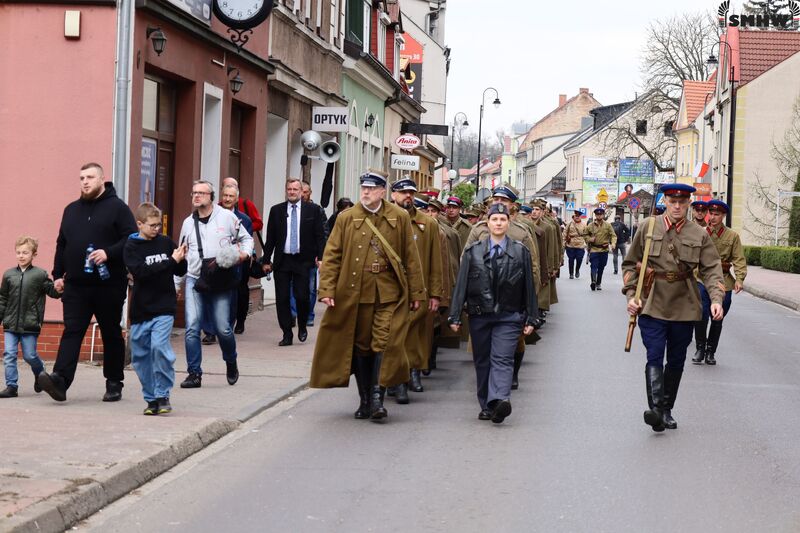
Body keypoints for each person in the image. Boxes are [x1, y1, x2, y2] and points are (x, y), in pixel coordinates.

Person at [309, 170, 425, 422]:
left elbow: (411, 257)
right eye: (363, 188)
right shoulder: (346, 218)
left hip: (388, 292)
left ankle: (377, 399)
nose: (365, 192)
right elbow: (332, 255)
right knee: (361, 347)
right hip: (355, 292)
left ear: (383, 191)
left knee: (382, 343)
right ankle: (363, 400)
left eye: (371, 188)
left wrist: (417, 292)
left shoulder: (399, 217)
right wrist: (326, 289)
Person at [623, 184, 725, 432]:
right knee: (654, 354)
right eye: (672, 201)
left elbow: (712, 269)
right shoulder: (648, 226)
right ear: (665, 201)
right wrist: (630, 296)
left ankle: (667, 408)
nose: (677, 206)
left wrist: (715, 300)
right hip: (652, 300)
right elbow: (630, 263)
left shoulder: (699, 234)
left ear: (688, 203)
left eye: (682, 202)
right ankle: (656, 410)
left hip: (684, 303)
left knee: (677, 359)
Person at [39, 163, 137, 403]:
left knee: (111, 332)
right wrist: (58, 274)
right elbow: (62, 243)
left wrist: (109, 253)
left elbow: (131, 239)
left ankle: (114, 382)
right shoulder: (71, 210)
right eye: (82, 177)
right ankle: (60, 381)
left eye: (90, 177)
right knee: (72, 331)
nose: (85, 181)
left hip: (109, 284)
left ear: (102, 180)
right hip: (76, 285)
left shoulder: (118, 208)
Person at [449, 203, 537, 423]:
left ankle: (499, 399)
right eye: (494, 219)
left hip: (509, 315)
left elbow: (529, 285)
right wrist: (455, 314)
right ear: (487, 223)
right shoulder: (473, 251)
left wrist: (532, 316)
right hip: (480, 314)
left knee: (503, 358)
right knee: (483, 361)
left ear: (508, 223)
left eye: (502, 219)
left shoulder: (520, 251)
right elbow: (462, 284)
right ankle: (486, 405)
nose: (498, 223)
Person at [175, 180, 253, 389]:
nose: (197, 196)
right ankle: (194, 373)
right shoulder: (187, 223)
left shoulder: (227, 217)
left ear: (211, 197)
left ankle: (231, 361)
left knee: (223, 328)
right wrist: (176, 283)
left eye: (201, 193)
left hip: (220, 277)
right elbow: (181, 254)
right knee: (192, 328)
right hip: (194, 277)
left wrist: (243, 254)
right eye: (194, 193)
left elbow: (246, 240)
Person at [123, 203, 188, 415]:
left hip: (164, 306)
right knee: (140, 357)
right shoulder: (131, 247)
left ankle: (163, 394)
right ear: (139, 224)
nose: (156, 229)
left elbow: (179, 269)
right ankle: (151, 398)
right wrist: (171, 261)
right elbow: (141, 272)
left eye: (159, 225)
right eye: (152, 225)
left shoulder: (165, 242)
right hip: (141, 309)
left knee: (159, 348)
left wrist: (181, 258)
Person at [387, 178, 443, 401]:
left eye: (411, 193)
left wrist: (436, 293)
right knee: (392, 336)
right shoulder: (385, 220)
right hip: (390, 290)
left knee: (414, 336)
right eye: (403, 193)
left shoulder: (427, 224)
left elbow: (435, 261)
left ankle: (413, 373)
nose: (407, 196)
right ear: (393, 195)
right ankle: (394, 379)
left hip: (419, 290)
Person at [261, 178, 326, 346]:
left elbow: (320, 236)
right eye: (289, 189)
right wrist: (266, 260)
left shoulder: (313, 210)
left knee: (302, 296)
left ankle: (302, 325)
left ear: (301, 191)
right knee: (282, 298)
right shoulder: (276, 210)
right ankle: (287, 333)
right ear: (286, 190)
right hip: (283, 260)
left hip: (303, 260)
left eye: (295, 189)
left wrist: (321, 257)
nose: (292, 192)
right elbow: (271, 238)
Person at [0, 237, 62, 398]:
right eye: (18, 252)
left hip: (30, 323)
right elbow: (3, 299)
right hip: (10, 323)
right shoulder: (8, 275)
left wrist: (60, 287)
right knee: (9, 354)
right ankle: (11, 386)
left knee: (29, 355)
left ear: (34, 254)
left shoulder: (40, 274)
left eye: (25, 252)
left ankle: (40, 373)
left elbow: (52, 292)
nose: (21, 256)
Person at [692, 200, 746, 366]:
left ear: (723, 216)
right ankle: (700, 347)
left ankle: (711, 351)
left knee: (718, 317)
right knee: (701, 314)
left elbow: (738, 258)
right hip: (701, 277)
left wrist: (739, 278)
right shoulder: (699, 232)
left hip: (724, 280)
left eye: (717, 214)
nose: (713, 217)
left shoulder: (732, 236)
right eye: (712, 213)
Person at [289, 181, 327, 328]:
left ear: (309, 193)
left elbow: (323, 233)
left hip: (310, 256)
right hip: (292, 255)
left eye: (305, 192)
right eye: (300, 191)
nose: (302, 194)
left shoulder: (317, 210)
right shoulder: (287, 209)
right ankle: (293, 313)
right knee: (292, 285)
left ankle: (308, 315)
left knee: (310, 287)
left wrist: (321, 255)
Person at [220, 184, 253, 334]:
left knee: (237, 293)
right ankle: (211, 331)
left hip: (237, 262)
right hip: (217, 262)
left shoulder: (244, 219)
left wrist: (243, 254)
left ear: (236, 199)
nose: (227, 199)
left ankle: (236, 321)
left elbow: (247, 240)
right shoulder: (214, 215)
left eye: (230, 196)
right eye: (225, 195)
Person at [583, 207, 616, 291]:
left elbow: (613, 235)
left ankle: (598, 283)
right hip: (594, 249)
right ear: (595, 215)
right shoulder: (590, 226)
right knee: (594, 265)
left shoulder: (608, 225)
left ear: (603, 215)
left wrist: (613, 244)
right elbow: (585, 235)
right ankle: (593, 281)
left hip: (604, 250)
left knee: (601, 266)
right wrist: (590, 239)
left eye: (600, 214)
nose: (599, 216)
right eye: (597, 214)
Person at [563, 211, 587, 279]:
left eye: (578, 216)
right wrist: (563, 241)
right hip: (570, 245)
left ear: (580, 217)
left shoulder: (584, 225)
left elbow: (587, 234)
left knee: (579, 259)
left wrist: (588, 243)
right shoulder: (570, 224)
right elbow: (565, 232)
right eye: (576, 216)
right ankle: (571, 273)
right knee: (571, 260)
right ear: (574, 217)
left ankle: (577, 270)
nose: (577, 217)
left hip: (580, 245)